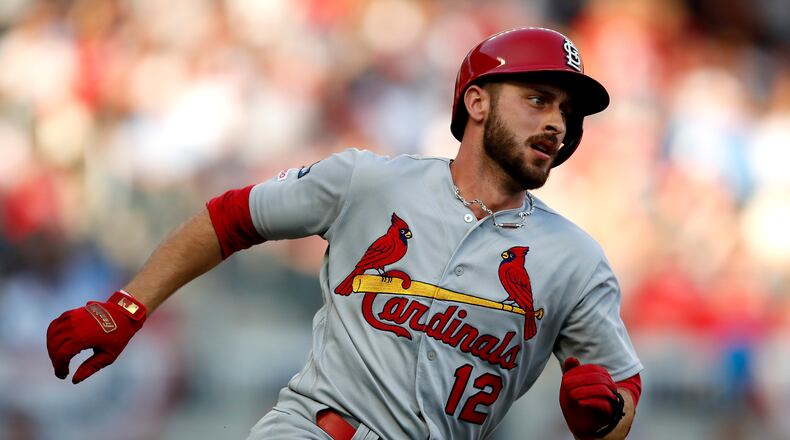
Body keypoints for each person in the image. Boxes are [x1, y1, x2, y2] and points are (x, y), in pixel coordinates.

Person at [46, 27, 643, 439]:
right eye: (538, 99)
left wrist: (605, 417)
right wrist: (128, 306)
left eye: (567, 112)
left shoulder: (576, 259)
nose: (557, 123)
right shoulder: (369, 181)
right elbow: (232, 217)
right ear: (478, 102)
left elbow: (622, 396)